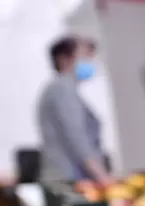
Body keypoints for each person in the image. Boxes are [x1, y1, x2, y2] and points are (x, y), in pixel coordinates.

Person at [37, 36, 112, 184]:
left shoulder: (65, 89)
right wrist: (102, 177)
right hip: (67, 178)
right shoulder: (62, 90)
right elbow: (76, 137)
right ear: (63, 59)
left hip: (71, 176)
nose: (91, 61)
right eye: (85, 56)